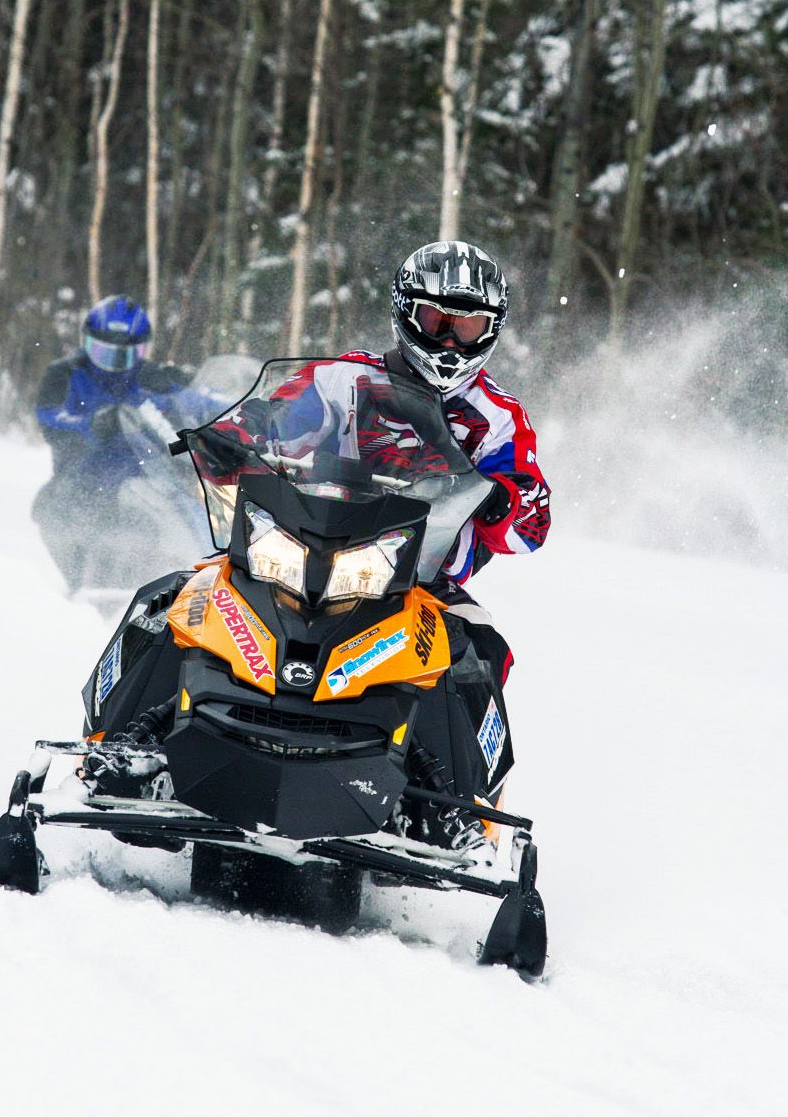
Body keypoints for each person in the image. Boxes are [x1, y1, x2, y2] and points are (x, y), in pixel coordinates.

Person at [225, 239, 551, 849]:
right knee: (181, 600)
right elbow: (276, 418)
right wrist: (240, 436)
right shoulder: (345, 379)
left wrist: (511, 502)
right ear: (407, 315)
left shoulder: (498, 418)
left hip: (417, 578)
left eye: (468, 327)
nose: (451, 342)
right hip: (299, 545)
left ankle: (460, 807)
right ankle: (126, 742)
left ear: (492, 331)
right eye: (437, 322)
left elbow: (532, 519)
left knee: (478, 652)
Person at [32, 295, 191, 589]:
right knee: (61, 512)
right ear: (86, 343)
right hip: (83, 478)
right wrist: (89, 424)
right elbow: (49, 419)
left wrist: (217, 398)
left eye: (125, 356)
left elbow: (194, 399)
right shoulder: (64, 374)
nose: (115, 366)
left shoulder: (151, 376)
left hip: (148, 476)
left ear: (141, 351)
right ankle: (81, 589)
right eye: (104, 353)